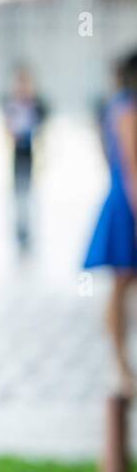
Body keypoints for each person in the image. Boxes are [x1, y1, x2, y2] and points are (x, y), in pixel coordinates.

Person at [82, 50, 137, 397]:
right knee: (120, 284)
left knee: (121, 284)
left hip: (121, 198)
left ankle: (120, 364)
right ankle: (119, 365)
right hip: (128, 204)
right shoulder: (127, 108)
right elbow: (133, 168)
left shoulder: (115, 106)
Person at [2, 64, 49, 252]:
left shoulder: (36, 105)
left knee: (29, 194)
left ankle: (27, 230)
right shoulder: (11, 105)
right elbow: (7, 130)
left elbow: (42, 129)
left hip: (31, 154)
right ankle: (20, 230)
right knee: (19, 194)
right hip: (17, 155)